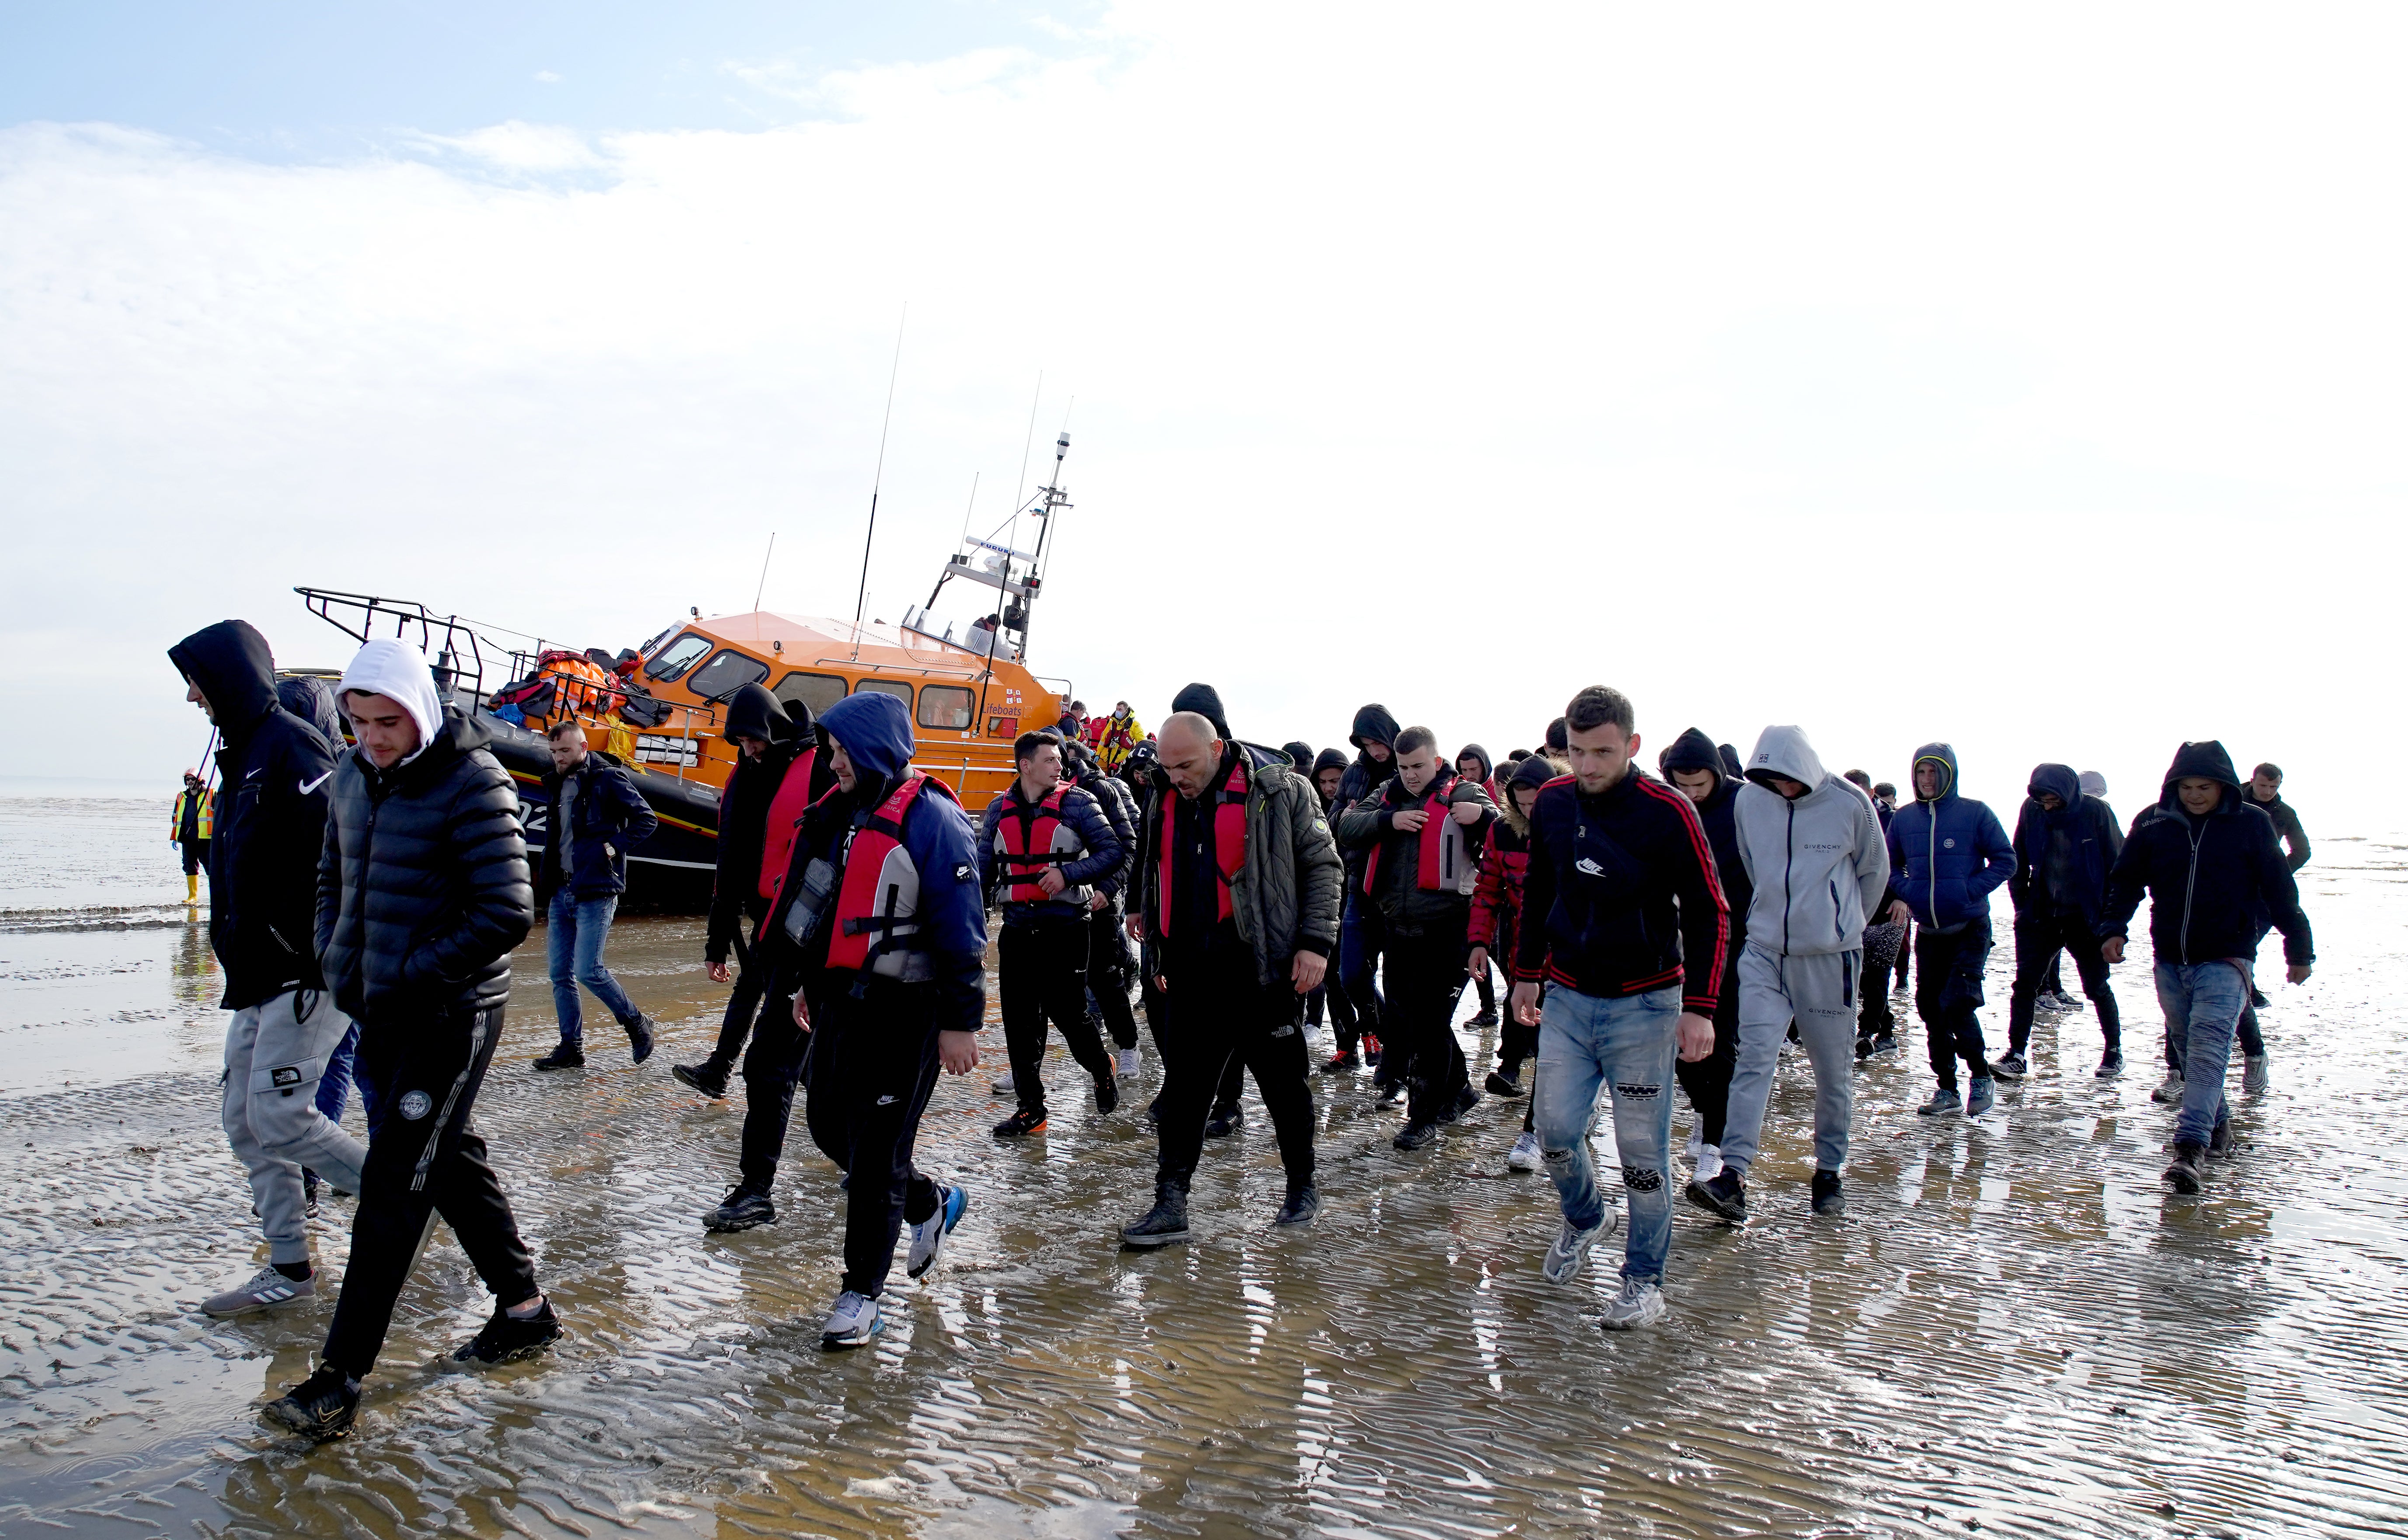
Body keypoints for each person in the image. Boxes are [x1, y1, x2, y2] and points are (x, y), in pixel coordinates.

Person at [262, 640, 550, 1441]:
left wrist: (410, 970)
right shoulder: (353, 777)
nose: (372, 737)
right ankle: (525, 1309)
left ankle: (338, 1379)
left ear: (419, 710)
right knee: (448, 1158)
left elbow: (505, 912)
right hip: (378, 1006)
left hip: (450, 1015)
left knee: (395, 1184)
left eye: (387, 721)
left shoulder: (474, 780)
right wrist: (335, 956)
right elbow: (333, 874)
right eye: (358, 721)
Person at [758, 690, 990, 1345]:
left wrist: (960, 1020)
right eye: (830, 751)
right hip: (838, 1002)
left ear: (869, 749)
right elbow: (821, 902)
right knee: (830, 1128)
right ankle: (930, 1202)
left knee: (877, 1153)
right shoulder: (841, 811)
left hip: (906, 1011)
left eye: (838, 752)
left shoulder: (933, 818)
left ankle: (860, 1294)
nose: (831, 763)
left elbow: (962, 929)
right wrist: (807, 983)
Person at [1512, 686, 1727, 1331]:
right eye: (1577, 752)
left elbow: (1711, 910)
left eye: (1603, 752)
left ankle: (1643, 1281)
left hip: (1646, 1004)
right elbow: (1539, 888)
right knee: (1552, 1135)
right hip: (1570, 997)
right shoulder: (1551, 803)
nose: (1588, 766)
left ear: (1632, 745)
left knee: (1642, 1155)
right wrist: (1526, 974)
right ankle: (1586, 1217)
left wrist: (1702, 1008)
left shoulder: (1669, 811)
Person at [169, 621, 365, 1324]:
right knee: (245, 1122)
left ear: (225, 677)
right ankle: (289, 1268)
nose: (191, 695)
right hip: (255, 976)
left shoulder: (291, 745)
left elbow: (339, 857)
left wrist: (314, 950)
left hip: (302, 974)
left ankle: (405, 1198)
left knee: (282, 1116)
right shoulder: (243, 753)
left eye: (196, 680)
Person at [1120, 694, 1339, 1247]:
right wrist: (1142, 910)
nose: (1176, 778)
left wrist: (1316, 944)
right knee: (1185, 1091)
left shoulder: (1281, 790)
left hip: (1261, 969)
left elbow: (1322, 866)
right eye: (1167, 767)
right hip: (1193, 970)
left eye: (1186, 766)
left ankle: (1301, 1186)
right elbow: (1154, 854)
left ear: (1216, 748)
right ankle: (1170, 1202)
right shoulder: (1163, 791)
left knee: (1285, 1087)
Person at [1694, 726, 1889, 1223]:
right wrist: (1773, 917)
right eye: (1770, 780)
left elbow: (1874, 873)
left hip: (1829, 958)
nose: (1780, 789)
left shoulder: (1851, 805)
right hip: (1763, 952)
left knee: (1831, 1068)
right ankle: (1732, 1176)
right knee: (1753, 1059)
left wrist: (1840, 926)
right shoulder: (1750, 803)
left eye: (1787, 780)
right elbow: (1755, 865)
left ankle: (1828, 1171)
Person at [2100, 742, 2312, 1192]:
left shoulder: (2251, 824)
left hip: (2228, 955)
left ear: (2223, 786)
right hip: (2171, 957)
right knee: (2188, 1046)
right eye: (2187, 787)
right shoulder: (2155, 822)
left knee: (2210, 1047)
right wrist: (2113, 928)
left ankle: (2189, 1149)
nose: (2195, 795)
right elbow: (2126, 879)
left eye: (2205, 787)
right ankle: (2220, 1130)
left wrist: (2299, 949)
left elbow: (2280, 888)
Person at [1336, 726, 1497, 1149]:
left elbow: (1505, 830)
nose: (1410, 775)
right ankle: (1461, 1090)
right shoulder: (1388, 794)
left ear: (1437, 762)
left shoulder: (1463, 793)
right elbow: (1346, 826)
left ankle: (1421, 1118)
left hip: (1448, 930)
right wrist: (1389, 821)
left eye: (1419, 766)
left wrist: (1482, 817)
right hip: (1398, 930)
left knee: (1429, 1025)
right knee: (1410, 1023)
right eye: (1404, 767)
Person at [674, 684, 835, 1100]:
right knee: (756, 986)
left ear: (772, 728)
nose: (749, 751)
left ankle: (802, 1077)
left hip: (801, 910)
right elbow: (731, 860)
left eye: (753, 740)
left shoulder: (815, 765)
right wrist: (716, 943)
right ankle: (724, 1069)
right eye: (742, 743)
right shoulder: (747, 773)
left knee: (787, 994)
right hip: (763, 905)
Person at [978, 730, 1126, 1137]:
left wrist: (1067, 874)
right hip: (1018, 930)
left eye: (1060, 760)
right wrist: (974, 926)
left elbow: (1114, 852)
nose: (1060, 767)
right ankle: (1032, 1110)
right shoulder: (997, 810)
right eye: (1050, 760)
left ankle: (1100, 1065)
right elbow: (984, 870)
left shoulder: (1079, 803)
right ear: (1025, 765)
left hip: (1066, 929)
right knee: (1019, 1021)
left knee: (1069, 1015)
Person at [1886, 745, 2015, 1118]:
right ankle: (1947, 1088)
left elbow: (2006, 860)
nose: (1927, 780)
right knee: (1930, 1008)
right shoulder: (1904, 818)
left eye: (1934, 773)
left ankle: (1980, 1076)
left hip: (1969, 926)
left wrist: (1968, 890)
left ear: (1949, 775)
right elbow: (1890, 865)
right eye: (1921, 773)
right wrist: (1906, 890)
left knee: (1958, 1002)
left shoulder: (1975, 813)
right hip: (1928, 931)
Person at [531, 721, 661, 1070]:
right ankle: (571, 1049)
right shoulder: (556, 783)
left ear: (584, 748)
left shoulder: (608, 779)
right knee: (560, 974)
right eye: (554, 752)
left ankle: (637, 1023)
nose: (559, 759)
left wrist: (611, 846)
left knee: (589, 969)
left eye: (566, 752)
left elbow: (647, 820)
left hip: (597, 889)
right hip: (562, 889)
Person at [1654, 728, 1751, 1188]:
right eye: (1682, 785)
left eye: (1700, 786)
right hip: (1679, 939)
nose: (1691, 795)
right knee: (1677, 1044)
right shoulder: (1667, 807)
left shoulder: (1746, 805)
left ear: (1717, 775)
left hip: (1735, 940)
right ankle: (1704, 1106)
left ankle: (1716, 1145)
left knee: (1722, 1038)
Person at [1999, 765, 2126, 1079]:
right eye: (2042, 800)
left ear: (2069, 794)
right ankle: (2016, 1055)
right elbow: (2018, 859)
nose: (2048, 806)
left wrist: (2112, 922)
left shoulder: (2096, 813)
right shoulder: (2033, 810)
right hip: (2040, 916)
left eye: (2053, 800)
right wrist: (2021, 906)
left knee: (2096, 986)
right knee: (2025, 986)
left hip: (2085, 919)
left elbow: (2121, 867)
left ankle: (2113, 1052)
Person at [1470, 750, 1560, 1172]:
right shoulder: (1502, 832)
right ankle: (1515, 1076)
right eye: (1521, 804)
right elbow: (1487, 889)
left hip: (1574, 952)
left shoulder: (1574, 824)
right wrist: (1478, 942)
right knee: (1531, 1024)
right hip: (1525, 947)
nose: (1530, 811)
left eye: (1536, 802)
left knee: (1557, 1045)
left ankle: (1534, 1131)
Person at [1063, 739, 1147, 1080]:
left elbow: (1128, 848)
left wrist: (1106, 890)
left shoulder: (1104, 791)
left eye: (1062, 759)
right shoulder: (1027, 797)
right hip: (1052, 910)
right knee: (1040, 990)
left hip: (1099, 903)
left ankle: (1128, 1047)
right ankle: (1027, 1068)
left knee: (1106, 979)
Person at [1331, 704, 1402, 1075]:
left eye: (1378, 741)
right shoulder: (1354, 773)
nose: (1375, 749)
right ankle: (1388, 1032)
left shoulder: (1410, 767)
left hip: (1399, 888)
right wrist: (1347, 816)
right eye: (1366, 742)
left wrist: (1369, 819)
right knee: (1352, 975)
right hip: (1358, 882)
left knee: (1397, 980)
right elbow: (1334, 821)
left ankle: (1396, 1061)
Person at [1455, 744, 1505, 1027]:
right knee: (1478, 947)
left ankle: (1514, 1000)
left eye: (1474, 769)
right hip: (1472, 883)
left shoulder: (1493, 794)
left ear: (1485, 766)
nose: (1469, 775)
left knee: (1496, 949)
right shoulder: (1460, 793)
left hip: (1496, 884)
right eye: (1464, 771)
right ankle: (1489, 1008)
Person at [1872, 781, 1909, 997]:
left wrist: (1902, 896)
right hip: (1869, 895)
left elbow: (1907, 862)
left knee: (1902, 940)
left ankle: (1902, 979)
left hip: (1896, 892)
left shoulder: (1897, 819)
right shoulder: (1867, 816)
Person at [171, 770, 214, 904]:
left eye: (192, 779)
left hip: (206, 839)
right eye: (188, 779)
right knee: (189, 866)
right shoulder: (182, 797)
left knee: (210, 867)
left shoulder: (210, 794)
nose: (190, 782)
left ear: (200, 780)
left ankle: (216, 896)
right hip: (188, 839)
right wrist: (175, 837)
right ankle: (193, 896)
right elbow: (175, 817)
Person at [1093, 701, 1146, 775]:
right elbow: (1103, 740)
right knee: (1093, 774)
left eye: (1120, 709)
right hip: (1105, 759)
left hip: (1120, 765)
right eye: (1117, 709)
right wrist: (1098, 754)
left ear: (1126, 711)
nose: (1117, 712)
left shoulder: (1135, 725)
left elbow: (1143, 743)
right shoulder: (1111, 723)